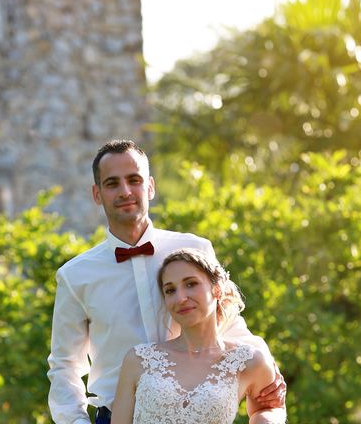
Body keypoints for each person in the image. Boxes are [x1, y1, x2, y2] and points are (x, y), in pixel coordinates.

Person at [47, 140, 285, 424]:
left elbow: (228, 323)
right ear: (97, 194)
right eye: (112, 184)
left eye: (133, 180)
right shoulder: (75, 275)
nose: (125, 191)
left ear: (150, 186)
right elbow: (64, 366)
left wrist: (267, 369)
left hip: (198, 412)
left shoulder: (193, 248)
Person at [111, 248, 286, 424]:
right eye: (170, 290)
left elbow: (269, 407)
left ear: (217, 290)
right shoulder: (139, 359)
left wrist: (267, 419)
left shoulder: (248, 361)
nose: (180, 298)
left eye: (191, 284)